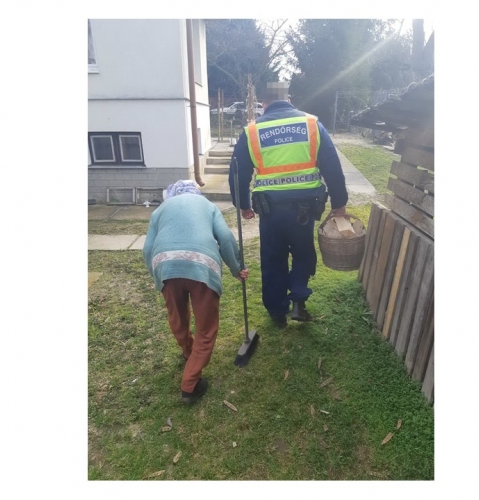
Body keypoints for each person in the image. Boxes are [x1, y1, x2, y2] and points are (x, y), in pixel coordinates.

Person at [229, 84, 348, 329]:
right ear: (289, 98)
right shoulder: (312, 124)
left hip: (270, 210)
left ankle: (277, 312)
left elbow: (238, 172)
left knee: (273, 257)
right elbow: (332, 167)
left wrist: (242, 204)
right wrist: (339, 203)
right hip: (305, 209)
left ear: (263, 103)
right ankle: (298, 302)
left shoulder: (252, 131)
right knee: (303, 252)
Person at [143, 180, 249, 404]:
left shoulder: (160, 210)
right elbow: (226, 238)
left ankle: (188, 352)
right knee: (206, 328)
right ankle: (190, 385)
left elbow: (148, 249)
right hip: (203, 265)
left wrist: (158, 277)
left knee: (178, 317)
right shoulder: (208, 206)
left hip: (166, 266)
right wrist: (237, 268)